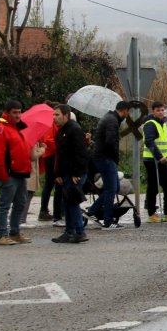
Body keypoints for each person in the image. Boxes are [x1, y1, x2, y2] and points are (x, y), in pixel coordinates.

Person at [0, 100, 35, 246]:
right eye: (15, 112)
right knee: (4, 205)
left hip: (20, 173)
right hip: (9, 174)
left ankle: (14, 232)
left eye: (19, 112)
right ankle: (2, 235)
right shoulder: (1, 129)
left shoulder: (15, 128)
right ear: (8, 112)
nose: (18, 115)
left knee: (20, 203)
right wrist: (3, 175)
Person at [87, 100, 129, 230]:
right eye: (128, 112)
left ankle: (92, 211)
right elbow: (111, 142)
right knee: (111, 189)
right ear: (124, 111)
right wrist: (115, 158)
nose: (127, 115)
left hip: (101, 157)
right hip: (106, 158)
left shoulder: (109, 118)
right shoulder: (112, 121)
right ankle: (108, 220)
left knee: (113, 188)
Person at [51, 104, 89, 244]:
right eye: (53, 115)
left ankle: (79, 231)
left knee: (72, 201)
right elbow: (61, 156)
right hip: (65, 173)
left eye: (57, 115)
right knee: (67, 202)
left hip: (75, 173)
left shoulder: (74, 129)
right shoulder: (60, 131)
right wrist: (58, 174)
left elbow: (80, 153)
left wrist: (76, 173)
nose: (54, 118)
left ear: (66, 115)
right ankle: (69, 231)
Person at [140, 102, 167, 223]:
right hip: (153, 160)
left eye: (162, 110)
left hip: (165, 160)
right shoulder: (150, 124)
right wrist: (159, 156)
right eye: (158, 110)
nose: (161, 112)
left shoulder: (164, 124)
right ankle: (151, 214)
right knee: (153, 187)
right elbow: (149, 142)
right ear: (153, 111)